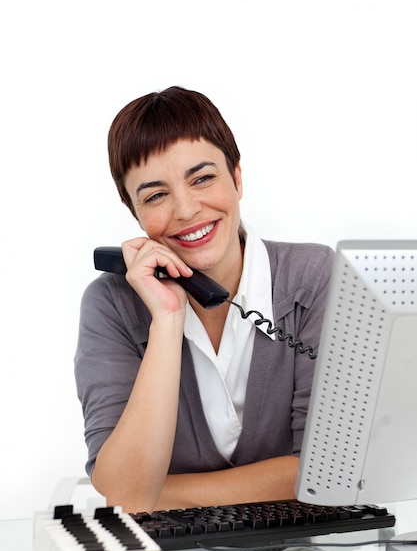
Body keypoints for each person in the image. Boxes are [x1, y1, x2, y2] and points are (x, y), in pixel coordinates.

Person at [74, 86, 334, 514]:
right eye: (156, 195)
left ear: (237, 178)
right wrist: (167, 320)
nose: (186, 209)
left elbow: (328, 474)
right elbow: (125, 491)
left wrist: (162, 495)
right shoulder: (112, 306)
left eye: (203, 178)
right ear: (135, 214)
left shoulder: (314, 278)